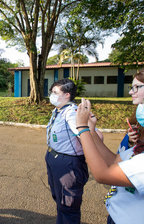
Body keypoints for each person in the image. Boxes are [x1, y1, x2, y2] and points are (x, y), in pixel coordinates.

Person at [76, 68, 144, 224]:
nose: (131, 92)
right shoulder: (138, 142)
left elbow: (103, 174)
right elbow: (114, 162)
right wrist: (91, 130)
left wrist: (82, 128)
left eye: (137, 87)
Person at [45, 78, 90, 224]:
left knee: (68, 204)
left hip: (68, 163)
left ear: (67, 95)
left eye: (55, 92)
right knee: (59, 199)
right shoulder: (58, 110)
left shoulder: (71, 113)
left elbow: (83, 133)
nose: (51, 95)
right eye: (51, 92)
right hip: (54, 158)